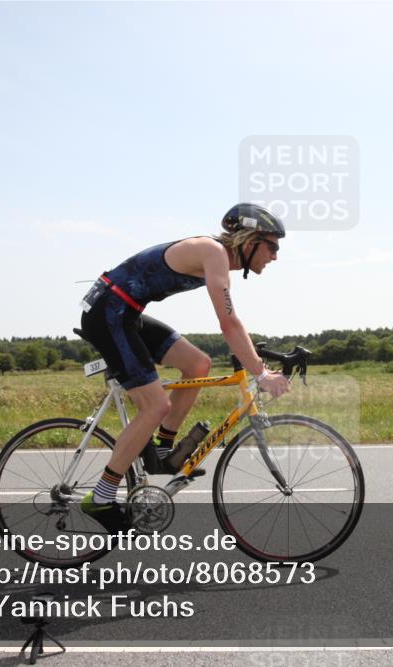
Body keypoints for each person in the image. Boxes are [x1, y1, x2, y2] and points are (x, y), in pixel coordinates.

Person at [76, 203, 292, 533]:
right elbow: (229, 323)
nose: (275, 256)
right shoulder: (213, 252)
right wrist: (261, 373)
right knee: (155, 406)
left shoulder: (218, 259)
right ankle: (101, 496)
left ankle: (162, 451)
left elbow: (230, 321)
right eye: (272, 246)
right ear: (250, 240)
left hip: (125, 311)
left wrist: (254, 361)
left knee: (198, 364)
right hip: (109, 313)